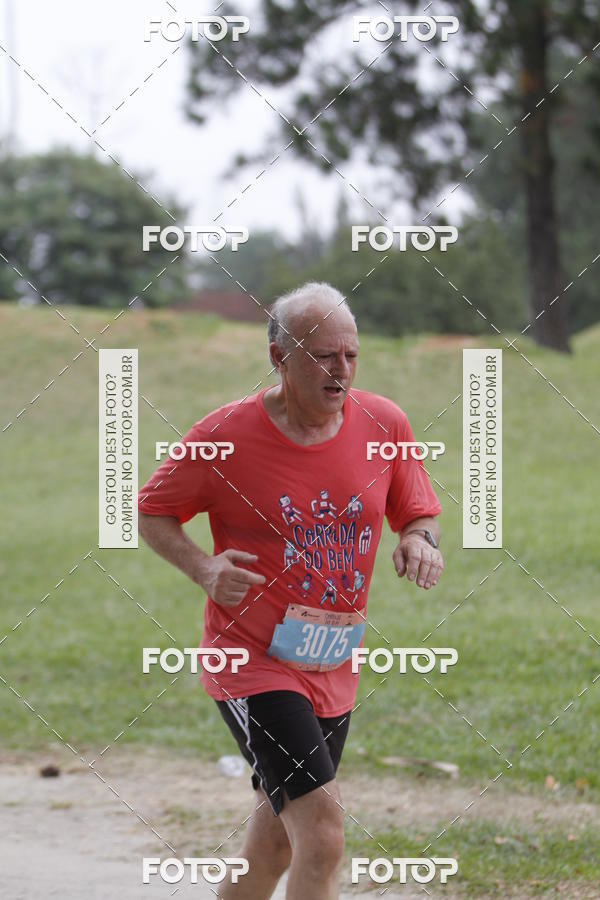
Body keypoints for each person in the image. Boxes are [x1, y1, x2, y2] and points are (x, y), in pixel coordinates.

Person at [137, 281, 443, 899]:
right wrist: (203, 569)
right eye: (324, 355)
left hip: (332, 658)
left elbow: (417, 511)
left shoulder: (385, 423)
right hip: (251, 661)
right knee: (324, 834)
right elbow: (149, 511)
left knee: (278, 839)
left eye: (352, 355)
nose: (342, 370)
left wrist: (420, 542)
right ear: (280, 358)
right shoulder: (224, 436)